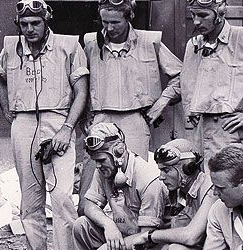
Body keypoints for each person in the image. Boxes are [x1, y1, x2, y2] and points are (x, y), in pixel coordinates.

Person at [0, 0, 89, 250]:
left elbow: (81, 91)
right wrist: (8, 111)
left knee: (61, 198)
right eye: (24, 24)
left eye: (35, 22)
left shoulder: (68, 46)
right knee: (30, 201)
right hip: (23, 123)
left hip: (57, 121)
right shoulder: (11, 47)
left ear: (46, 20)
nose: (30, 29)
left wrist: (67, 128)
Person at [77, 0, 182, 213]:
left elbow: (181, 76)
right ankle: (89, 238)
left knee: (131, 187)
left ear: (128, 17)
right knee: (89, 190)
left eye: (115, 22)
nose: (108, 28)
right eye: (104, 22)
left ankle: (131, 239)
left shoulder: (149, 42)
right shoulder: (90, 43)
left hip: (135, 120)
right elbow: (78, 81)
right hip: (100, 119)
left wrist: (160, 103)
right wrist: (83, 116)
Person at [58, 123, 169, 250]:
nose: (99, 166)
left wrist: (105, 249)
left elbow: (148, 235)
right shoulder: (104, 170)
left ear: (119, 151)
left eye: (101, 160)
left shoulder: (149, 180)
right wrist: (108, 224)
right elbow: (89, 205)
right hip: (120, 238)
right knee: (82, 225)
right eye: (95, 161)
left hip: (147, 245)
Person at [181, 0, 243, 166]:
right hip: (199, 134)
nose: (196, 21)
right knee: (202, 188)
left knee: (230, 186)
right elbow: (185, 82)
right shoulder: (193, 45)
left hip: (230, 132)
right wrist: (190, 109)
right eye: (193, 15)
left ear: (220, 12)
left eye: (203, 15)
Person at [125, 138, 217, 250]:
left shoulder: (209, 187)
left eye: (166, 170)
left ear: (188, 168)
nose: (161, 177)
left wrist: (149, 236)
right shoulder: (179, 192)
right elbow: (177, 236)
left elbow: (190, 236)